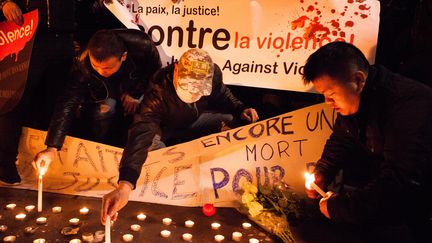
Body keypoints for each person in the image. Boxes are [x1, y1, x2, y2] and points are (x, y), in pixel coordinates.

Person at [100, 48, 259, 224]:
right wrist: (125, 184)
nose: (191, 95)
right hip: (165, 127)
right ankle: (174, 183)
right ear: (176, 71)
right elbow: (142, 131)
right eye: (186, 87)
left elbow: (223, 94)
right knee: (151, 147)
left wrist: (240, 108)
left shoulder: (214, 74)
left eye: (197, 91)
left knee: (232, 121)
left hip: (194, 120)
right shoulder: (158, 90)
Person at [303, 41, 432, 242]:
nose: (327, 103)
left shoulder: (409, 106)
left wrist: (342, 208)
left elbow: (400, 182)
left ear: (358, 79)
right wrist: (323, 171)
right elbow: (341, 139)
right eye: (323, 96)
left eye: (331, 94)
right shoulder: (355, 99)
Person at [32, 29, 161, 174]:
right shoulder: (82, 62)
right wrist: (52, 147)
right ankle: (103, 162)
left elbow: (156, 73)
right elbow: (67, 102)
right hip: (104, 90)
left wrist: (135, 94)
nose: (101, 72)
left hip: (138, 87)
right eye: (96, 66)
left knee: (144, 116)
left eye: (107, 68)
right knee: (104, 111)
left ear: (123, 56)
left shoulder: (142, 45)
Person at [0, 0, 76, 185]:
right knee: (15, 98)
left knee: (56, 102)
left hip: (64, 35)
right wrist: (4, 4)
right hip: (27, 30)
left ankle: (48, 165)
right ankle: (5, 164)